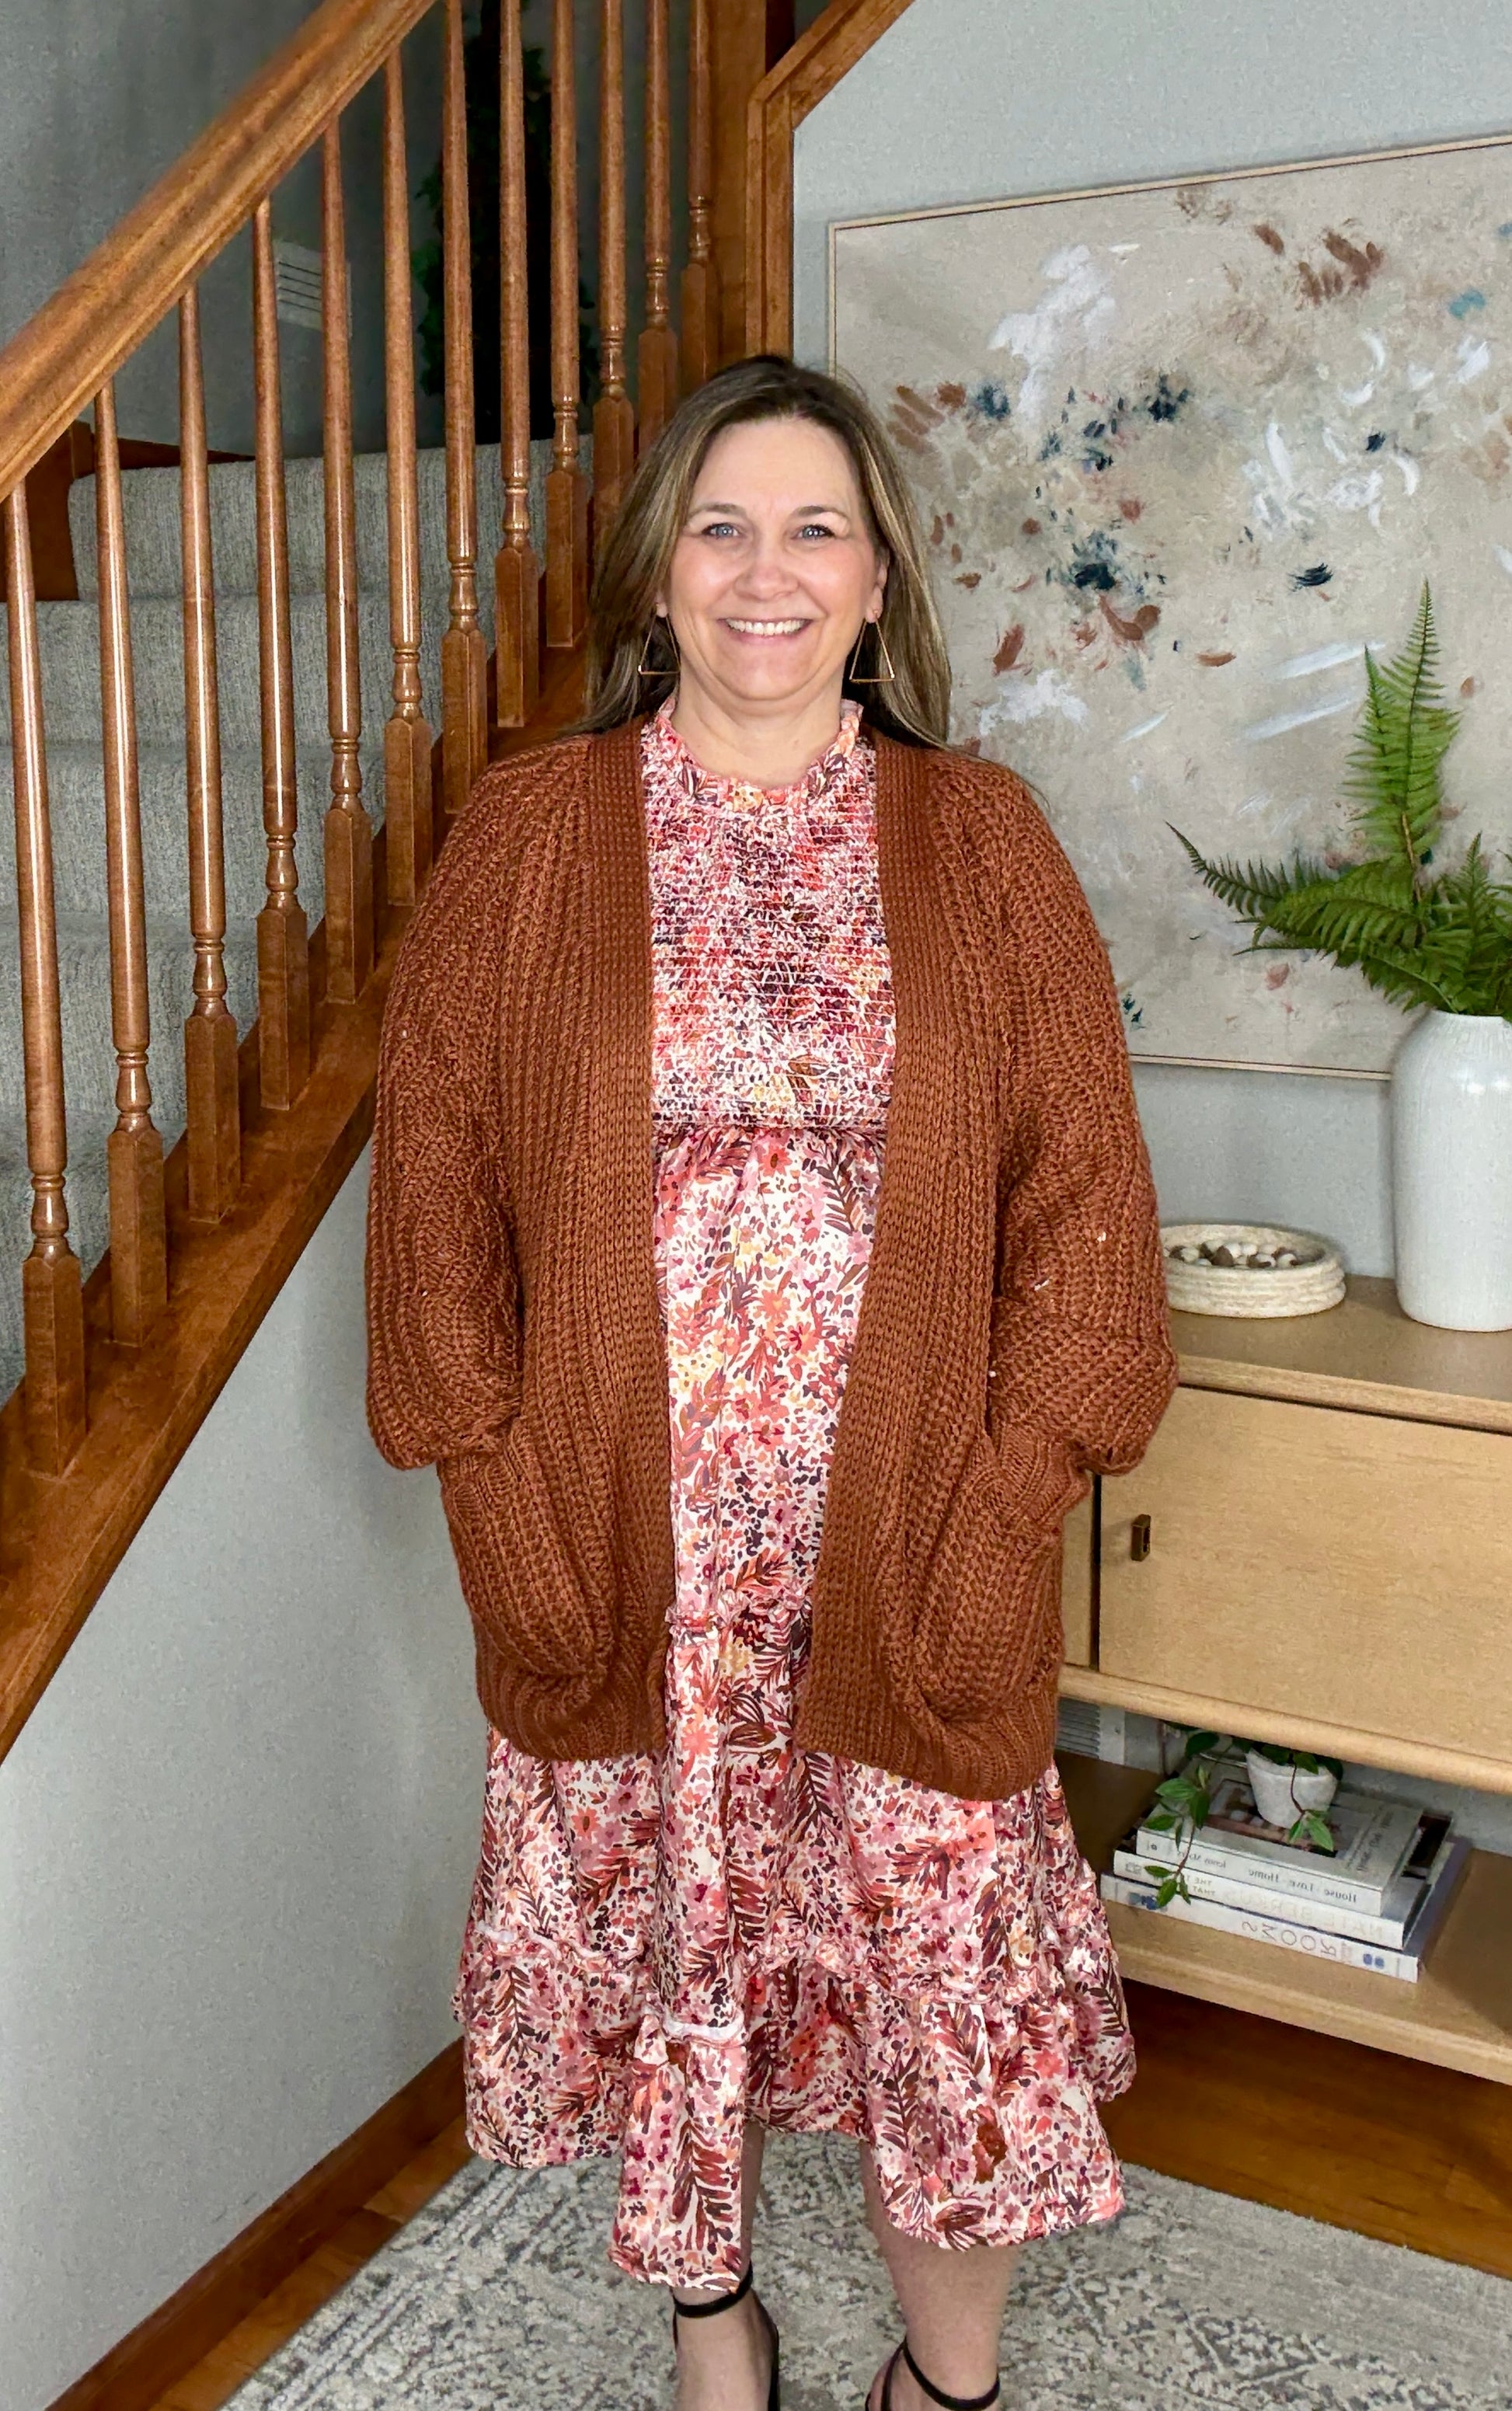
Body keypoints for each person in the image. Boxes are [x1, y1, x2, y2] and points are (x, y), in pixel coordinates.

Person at [366, 354, 1177, 2411]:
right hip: (626, 1576)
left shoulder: (979, 842)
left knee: (947, 2009)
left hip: (911, 1568)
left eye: (814, 525)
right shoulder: (531, 838)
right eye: (720, 525)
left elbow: (1086, 1229)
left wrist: (1000, 1524)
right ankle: (711, 2313)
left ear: (879, 579)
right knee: (674, 1975)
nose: (764, 570)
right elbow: (436, 1209)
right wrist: (506, 1518)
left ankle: (949, 2383)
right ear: (655, 577)